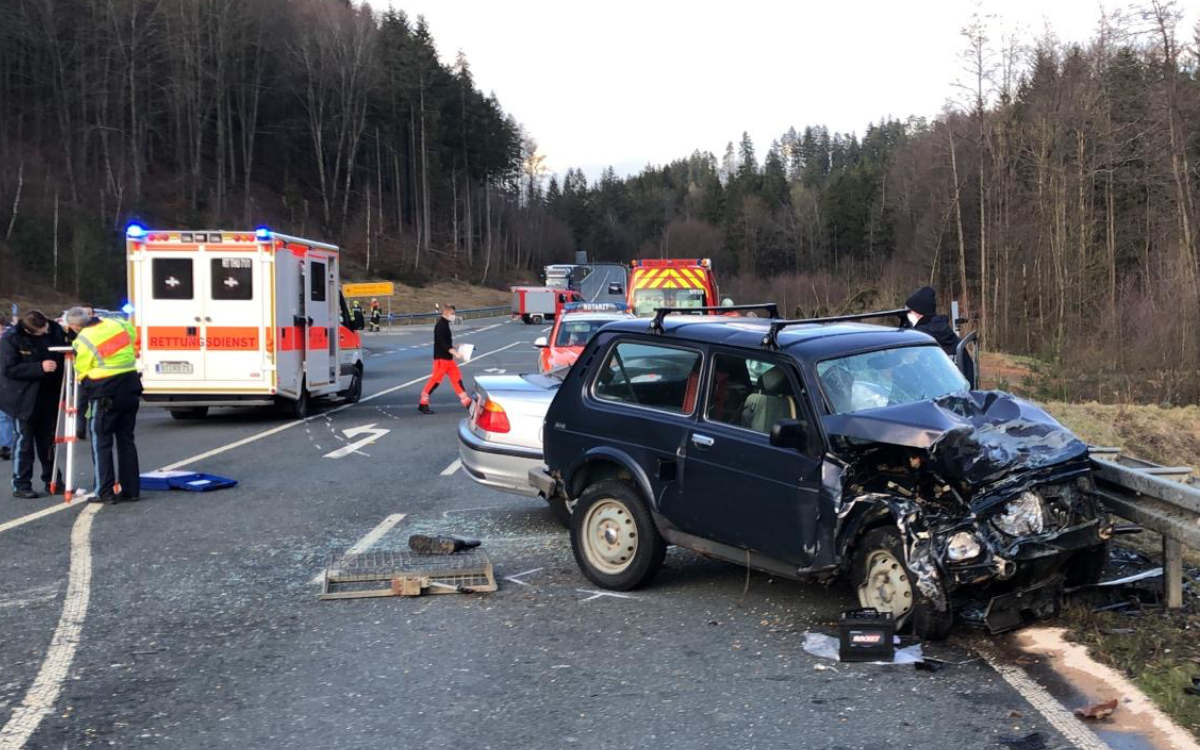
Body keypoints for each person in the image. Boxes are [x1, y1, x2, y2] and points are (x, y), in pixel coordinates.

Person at [65, 307, 141, 504]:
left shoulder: (82, 340)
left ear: (74, 326)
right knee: (126, 440)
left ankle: (104, 491)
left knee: (101, 442)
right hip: (130, 385)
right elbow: (132, 334)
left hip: (105, 391)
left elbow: (82, 370)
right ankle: (131, 490)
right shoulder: (117, 324)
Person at [0, 311, 67, 498]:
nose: (45, 333)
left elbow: (66, 348)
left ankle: (53, 480)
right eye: (40, 332)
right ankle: (21, 484)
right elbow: (9, 369)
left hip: (49, 395)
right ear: (29, 330)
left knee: (48, 442)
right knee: (25, 442)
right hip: (22, 398)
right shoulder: (11, 339)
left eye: (46, 328)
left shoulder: (54, 330)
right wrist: (39, 368)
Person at [901, 286, 975, 386]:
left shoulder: (917, 340)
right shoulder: (953, 338)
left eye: (908, 312)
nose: (906, 316)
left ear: (918, 314)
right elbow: (969, 374)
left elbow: (906, 380)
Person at [417, 304, 471, 415]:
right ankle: (423, 403)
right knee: (435, 381)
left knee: (457, 379)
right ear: (446, 313)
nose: (454, 316)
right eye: (452, 314)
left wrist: (455, 346)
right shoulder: (441, 326)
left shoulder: (445, 325)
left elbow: (445, 342)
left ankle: (467, 402)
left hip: (447, 359)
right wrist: (454, 352)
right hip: (441, 360)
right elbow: (442, 343)